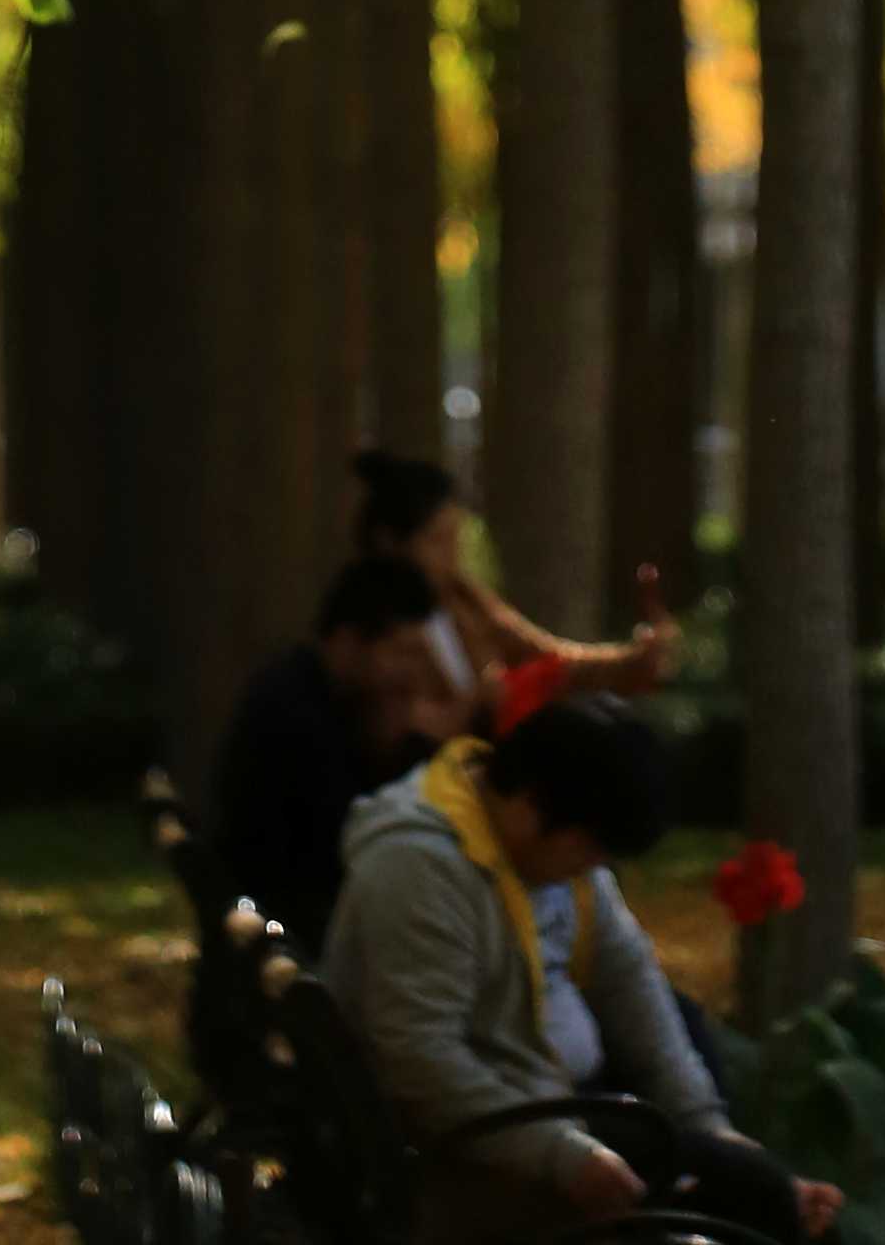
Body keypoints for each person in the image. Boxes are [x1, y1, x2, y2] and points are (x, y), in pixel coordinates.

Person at [321, 673, 838, 1240]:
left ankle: (762, 1187)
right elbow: (419, 1059)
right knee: (743, 1199)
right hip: (485, 1136)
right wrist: (562, 1155)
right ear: (531, 803)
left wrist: (707, 1125)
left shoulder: (561, 859)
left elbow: (630, 981)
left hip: (562, 1100)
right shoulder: (421, 870)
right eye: (589, 848)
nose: (591, 867)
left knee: (720, 1132)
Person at [206, 549, 462, 955]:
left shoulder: (327, 699)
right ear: (347, 640)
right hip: (287, 929)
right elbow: (350, 844)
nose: (410, 672)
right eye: (401, 651)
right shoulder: (295, 713)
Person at [350, 449, 678, 711]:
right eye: (437, 541)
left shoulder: (460, 597)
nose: (450, 556)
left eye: (455, 540)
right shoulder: (370, 625)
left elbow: (547, 658)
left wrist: (634, 659)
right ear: (388, 541)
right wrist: (485, 701)